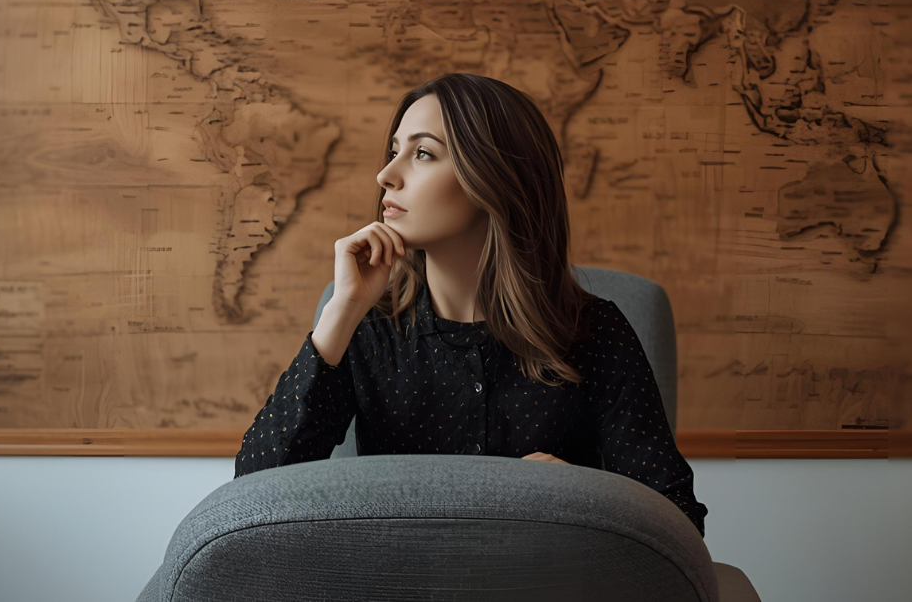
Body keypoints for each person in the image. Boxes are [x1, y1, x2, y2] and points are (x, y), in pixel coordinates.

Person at [233, 72, 709, 538]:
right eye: (394, 150)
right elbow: (253, 494)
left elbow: (678, 521)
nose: (385, 175)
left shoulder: (595, 330)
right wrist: (341, 311)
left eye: (422, 153)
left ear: (495, 178)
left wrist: (583, 495)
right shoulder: (367, 328)